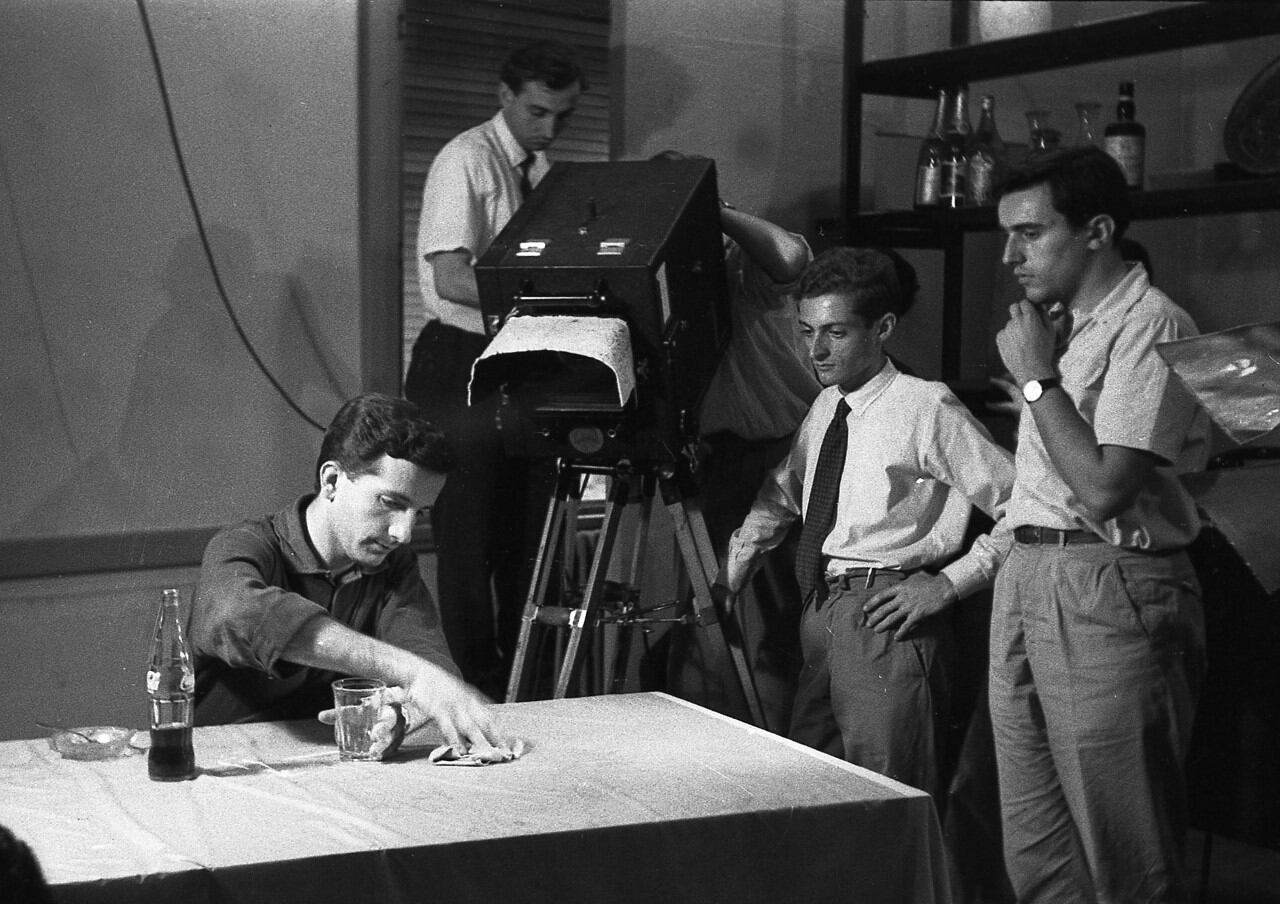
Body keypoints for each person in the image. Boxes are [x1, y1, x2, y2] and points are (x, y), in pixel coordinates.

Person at [990, 145, 1208, 902]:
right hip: (1029, 574)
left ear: (1098, 230)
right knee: (1038, 845)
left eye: (1030, 232)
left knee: (1124, 845)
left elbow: (1105, 487)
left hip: (1105, 586)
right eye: (1006, 234)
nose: (1011, 254)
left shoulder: (1151, 323)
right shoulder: (1063, 326)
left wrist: (1034, 376)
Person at [722, 246, 1015, 800]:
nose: (816, 350)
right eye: (807, 331)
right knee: (814, 795)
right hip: (820, 611)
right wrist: (735, 565)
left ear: (883, 327)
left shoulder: (925, 406)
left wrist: (951, 584)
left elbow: (1024, 505)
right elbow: (782, 492)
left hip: (884, 617)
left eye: (835, 332)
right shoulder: (826, 406)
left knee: (888, 797)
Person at [403, 41, 587, 699]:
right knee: (469, 540)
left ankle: (525, 696)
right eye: (538, 112)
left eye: (562, 117)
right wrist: (545, 296)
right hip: (459, 366)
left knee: (526, 536)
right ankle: (473, 692)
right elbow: (451, 277)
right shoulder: (466, 161)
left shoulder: (540, 169)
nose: (549, 129)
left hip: (518, 365)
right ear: (504, 96)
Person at [191, 393, 499, 757]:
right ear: (332, 480)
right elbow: (237, 613)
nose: (403, 533)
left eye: (419, 512)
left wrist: (398, 715)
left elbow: (431, 668)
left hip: (327, 771)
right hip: (218, 768)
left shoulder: (394, 565)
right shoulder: (242, 545)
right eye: (391, 504)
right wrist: (412, 673)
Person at [651, 152, 819, 732]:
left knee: (772, 631)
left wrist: (711, 212)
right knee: (704, 617)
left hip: (784, 458)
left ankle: (775, 753)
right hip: (710, 463)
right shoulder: (662, 282)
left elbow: (792, 256)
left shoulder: (745, 269)